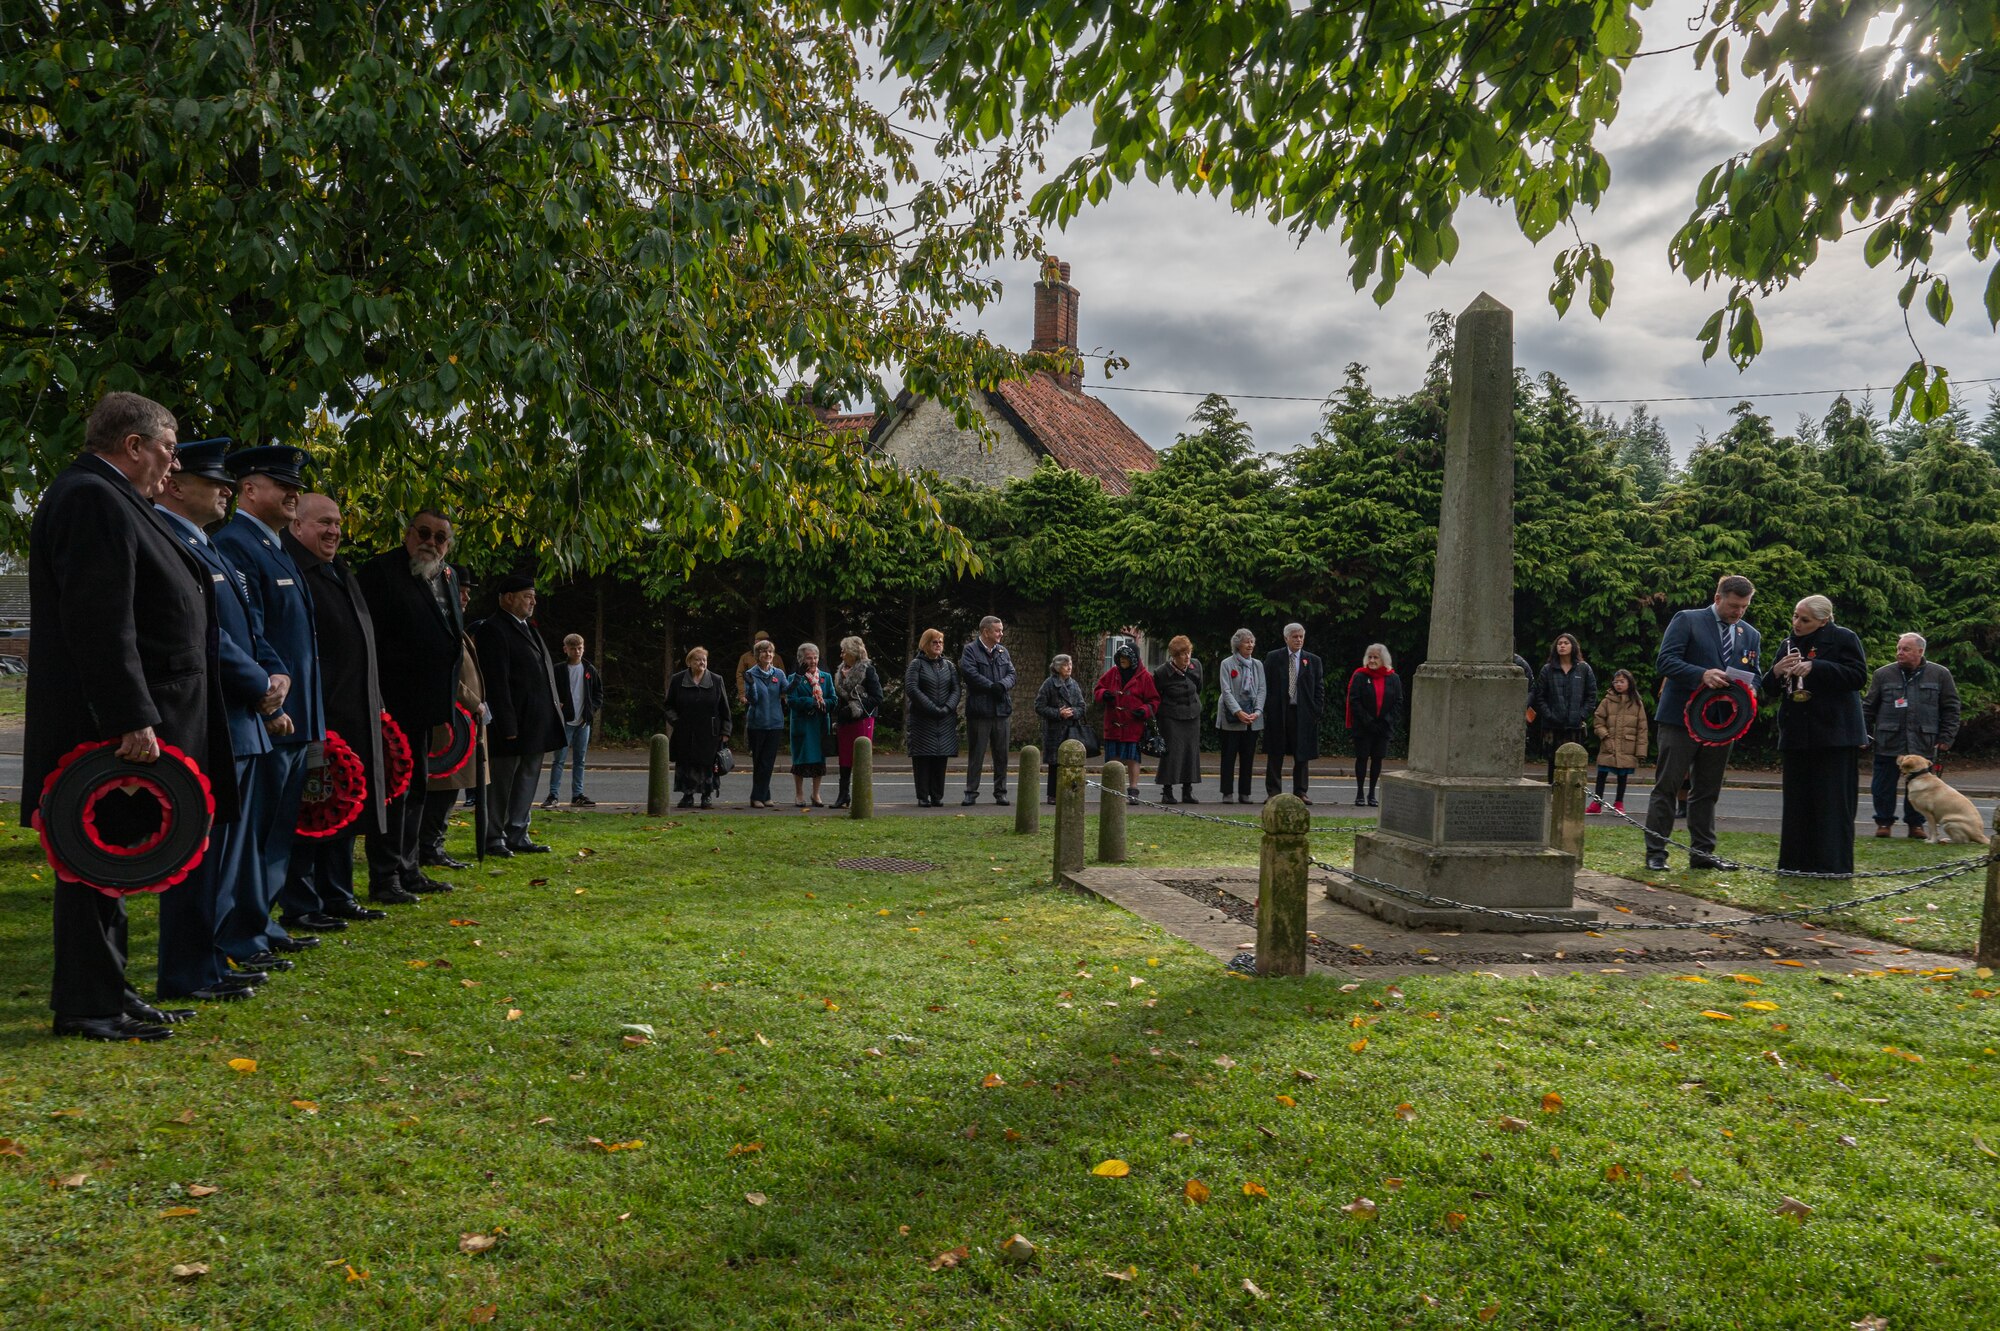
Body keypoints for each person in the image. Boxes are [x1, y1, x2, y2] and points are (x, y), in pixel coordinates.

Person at [25, 392, 241, 1040]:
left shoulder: (113, 497)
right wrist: (130, 716)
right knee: (91, 863)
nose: (172, 468)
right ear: (134, 445)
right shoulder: (92, 497)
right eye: (169, 451)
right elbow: (100, 621)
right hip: (106, 728)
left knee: (109, 864)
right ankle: (88, 1004)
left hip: (127, 719)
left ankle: (111, 991)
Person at [150, 439, 274, 1006]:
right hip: (209, 715)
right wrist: (258, 682)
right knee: (201, 853)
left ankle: (208, 960)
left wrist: (273, 672)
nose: (226, 488)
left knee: (223, 853)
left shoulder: (206, 545)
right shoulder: (168, 539)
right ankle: (188, 969)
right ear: (175, 485)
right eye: (213, 479)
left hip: (236, 718)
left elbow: (246, 624)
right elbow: (203, 634)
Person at [212, 444, 328, 967]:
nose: (292, 493)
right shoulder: (236, 543)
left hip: (296, 716)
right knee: (253, 836)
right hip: (272, 716)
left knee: (278, 832)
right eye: (282, 484)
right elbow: (251, 633)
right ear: (249, 489)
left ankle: (263, 920)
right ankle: (241, 931)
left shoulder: (274, 547)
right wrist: (267, 704)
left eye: (295, 486)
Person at [283, 493, 392, 928]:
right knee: (311, 813)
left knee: (343, 807)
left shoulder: (337, 570)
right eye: (323, 523)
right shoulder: (294, 572)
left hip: (353, 714)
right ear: (297, 526)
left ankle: (338, 893)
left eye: (338, 524)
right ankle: (303, 902)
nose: (334, 531)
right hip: (317, 715)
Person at [357, 510, 466, 903]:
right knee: (392, 791)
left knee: (418, 786)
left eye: (440, 538)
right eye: (424, 533)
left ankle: (410, 868)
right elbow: (366, 640)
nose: (431, 542)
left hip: (426, 705)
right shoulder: (381, 572)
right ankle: (384, 877)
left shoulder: (446, 576)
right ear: (407, 534)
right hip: (390, 703)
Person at [1645, 574, 1763, 872]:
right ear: (1717, 598)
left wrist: (1750, 689)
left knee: (1707, 791)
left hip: (1723, 725)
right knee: (1668, 787)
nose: (1738, 613)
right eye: (1734, 606)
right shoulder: (1687, 620)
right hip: (1680, 719)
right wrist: (1702, 674)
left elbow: (1757, 675)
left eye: (1744, 608)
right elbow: (1665, 661)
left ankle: (1703, 854)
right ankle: (1656, 853)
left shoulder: (1750, 635)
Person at [1769, 596, 1869, 874]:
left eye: (1805, 620)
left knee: (1832, 802)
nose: (1797, 624)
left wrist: (1817, 667)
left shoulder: (1843, 638)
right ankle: (1794, 863)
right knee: (1797, 802)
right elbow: (1769, 688)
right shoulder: (1787, 644)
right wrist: (1777, 671)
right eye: (1795, 616)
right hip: (1797, 733)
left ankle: (1832, 865)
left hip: (1834, 734)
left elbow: (1858, 676)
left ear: (1824, 620)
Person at [475, 572, 562, 855]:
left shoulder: (528, 627)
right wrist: (507, 723)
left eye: (534, 596)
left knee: (527, 778)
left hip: (535, 722)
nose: (533, 601)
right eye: (527, 596)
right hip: (511, 723)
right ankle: (493, 836)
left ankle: (518, 832)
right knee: (501, 782)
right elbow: (496, 682)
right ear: (508, 598)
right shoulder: (494, 629)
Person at [1864, 633, 1962, 838]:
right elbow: (1868, 708)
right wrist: (1863, 735)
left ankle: (1916, 825)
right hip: (1888, 740)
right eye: (1898, 648)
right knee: (1882, 786)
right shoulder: (1883, 674)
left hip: (1922, 743)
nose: (1900, 653)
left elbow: (1951, 708)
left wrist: (1946, 737)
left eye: (1905, 649)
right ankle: (1884, 823)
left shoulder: (1940, 674)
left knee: (1921, 787)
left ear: (1920, 651)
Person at [1263, 623, 1325, 802]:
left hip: (1303, 713)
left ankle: (1300, 791)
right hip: (1279, 713)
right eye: (1295, 637)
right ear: (1286, 638)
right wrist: (1268, 709)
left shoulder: (1313, 660)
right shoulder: (1274, 657)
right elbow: (1265, 684)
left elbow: (1319, 688)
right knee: (1275, 753)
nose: (1298, 640)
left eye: (1301, 637)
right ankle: (1273, 792)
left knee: (1302, 754)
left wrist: (1316, 710)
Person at [959, 616, 1016, 806]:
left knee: (1002, 755)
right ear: (986, 632)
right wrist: (991, 687)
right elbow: (970, 674)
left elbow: (1012, 674)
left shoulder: (1002, 651)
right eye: (997, 630)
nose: (1001, 634)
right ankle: (971, 792)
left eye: (1001, 630)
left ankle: (1001, 792)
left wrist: (1002, 685)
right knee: (977, 754)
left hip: (1001, 711)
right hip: (979, 711)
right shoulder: (970, 651)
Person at [664, 646, 730, 808]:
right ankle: (687, 795)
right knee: (686, 763)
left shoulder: (716, 680)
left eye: (704, 660)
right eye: (697, 660)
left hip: (710, 732)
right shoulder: (678, 680)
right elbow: (668, 706)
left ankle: (707, 795)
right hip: (685, 730)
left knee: (707, 764)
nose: (701, 662)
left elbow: (724, 708)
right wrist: (677, 722)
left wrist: (726, 731)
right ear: (689, 662)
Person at [1094, 642, 1159, 806]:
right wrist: (1104, 694)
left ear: (1134, 659)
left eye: (1126, 657)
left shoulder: (1145, 677)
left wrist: (1144, 710)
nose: (1122, 660)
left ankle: (1133, 790)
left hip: (1133, 725)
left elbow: (1154, 700)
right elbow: (1097, 689)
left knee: (1133, 758)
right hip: (1113, 723)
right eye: (1120, 657)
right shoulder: (1113, 673)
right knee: (1113, 759)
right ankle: (1111, 789)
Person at [1529, 633, 1598, 784]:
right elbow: (1540, 696)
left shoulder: (1584, 669)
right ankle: (1553, 794)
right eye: (1559, 643)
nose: (1562, 645)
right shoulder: (1548, 670)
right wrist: (1549, 715)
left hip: (1574, 726)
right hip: (1552, 727)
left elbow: (1591, 695)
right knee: (1553, 763)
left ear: (1573, 646)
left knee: (1573, 763)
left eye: (1566, 643)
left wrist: (1581, 715)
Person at [545, 634, 604, 808]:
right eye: (572, 648)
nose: (577, 651)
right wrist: (557, 705)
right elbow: (549, 691)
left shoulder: (589, 669)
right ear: (566, 649)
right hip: (565, 722)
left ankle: (577, 795)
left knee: (580, 761)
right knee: (559, 760)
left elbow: (598, 694)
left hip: (583, 723)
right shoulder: (559, 670)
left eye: (579, 648)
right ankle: (553, 795)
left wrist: (590, 711)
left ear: (583, 648)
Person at [904, 629, 960, 807]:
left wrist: (947, 708)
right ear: (925, 644)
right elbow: (912, 688)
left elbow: (956, 689)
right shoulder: (916, 665)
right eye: (934, 642)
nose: (938, 645)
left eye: (941, 642)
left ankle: (937, 795)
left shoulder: (949, 666)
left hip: (944, 720)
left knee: (940, 758)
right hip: (923, 720)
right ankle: (923, 796)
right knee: (923, 759)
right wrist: (931, 708)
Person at [1344, 643, 1402, 807]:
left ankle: (1372, 794)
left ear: (1383, 659)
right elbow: (1354, 700)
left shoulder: (1393, 678)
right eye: (1369, 657)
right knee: (1362, 758)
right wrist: (1368, 721)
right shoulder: (1360, 676)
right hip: (1363, 727)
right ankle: (1360, 793)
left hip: (1383, 727)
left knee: (1377, 759)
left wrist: (1386, 721)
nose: (1372, 660)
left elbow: (1398, 702)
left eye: (1375, 657)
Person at [831, 636, 883, 809]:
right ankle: (843, 795)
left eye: (844, 651)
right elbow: (839, 697)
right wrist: (838, 714)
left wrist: (856, 707)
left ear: (853, 653)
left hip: (862, 719)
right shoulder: (839, 672)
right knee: (844, 758)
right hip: (845, 721)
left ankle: (862, 798)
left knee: (860, 759)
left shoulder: (868, 670)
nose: (841, 654)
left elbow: (877, 697)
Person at [1588, 669, 1649, 815]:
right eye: (1616, 682)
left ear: (1629, 683)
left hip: (1628, 746)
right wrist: (1604, 735)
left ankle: (1619, 803)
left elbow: (1642, 728)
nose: (1619, 685)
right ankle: (1597, 802)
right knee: (1601, 774)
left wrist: (1641, 752)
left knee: (1623, 776)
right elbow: (1598, 721)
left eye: (1622, 681)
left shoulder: (1637, 703)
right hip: (1608, 744)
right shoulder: (1607, 701)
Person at [1215, 629, 1265, 805]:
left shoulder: (1258, 665)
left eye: (1252, 641)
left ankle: (1245, 793)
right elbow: (1226, 691)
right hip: (1231, 715)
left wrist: (1257, 711)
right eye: (1246, 642)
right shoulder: (1227, 664)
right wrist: (1238, 711)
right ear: (1237, 645)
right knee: (1228, 756)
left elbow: (1261, 689)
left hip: (1252, 717)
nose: (1250, 645)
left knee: (1248, 756)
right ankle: (1227, 793)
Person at [786, 642, 836, 808]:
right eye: (809, 658)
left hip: (820, 724)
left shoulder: (826, 677)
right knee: (800, 760)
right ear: (801, 660)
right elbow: (791, 700)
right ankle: (799, 794)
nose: (813, 661)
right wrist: (811, 702)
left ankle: (816, 794)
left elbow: (834, 700)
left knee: (819, 761)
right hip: (802, 725)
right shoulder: (794, 679)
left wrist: (824, 703)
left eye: (815, 657)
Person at [1154, 636, 1204, 803]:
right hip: (1171, 717)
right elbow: (1157, 696)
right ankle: (1167, 791)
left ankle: (1187, 790)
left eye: (1188, 652)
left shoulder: (1196, 666)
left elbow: (1199, 687)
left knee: (1191, 752)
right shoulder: (1161, 673)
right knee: (1172, 753)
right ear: (1174, 656)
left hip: (1192, 715)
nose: (1187, 657)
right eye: (1183, 654)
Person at [1033, 653, 1088, 803]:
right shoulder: (1049, 684)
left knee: (1072, 761)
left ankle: (1071, 792)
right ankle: (1053, 795)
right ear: (1057, 668)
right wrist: (1058, 713)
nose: (1069, 667)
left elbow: (1082, 706)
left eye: (1070, 664)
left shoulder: (1074, 684)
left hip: (1072, 729)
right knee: (1055, 764)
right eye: (1065, 665)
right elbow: (1039, 706)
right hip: (1054, 730)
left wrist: (1072, 713)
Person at [742, 639, 788, 808]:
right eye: (764, 652)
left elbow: (785, 691)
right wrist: (751, 685)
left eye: (770, 651)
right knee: (759, 761)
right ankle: (757, 797)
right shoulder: (751, 674)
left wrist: (797, 679)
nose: (768, 654)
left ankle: (762, 795)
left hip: (775, 724)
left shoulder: (779, 674)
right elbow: (752, 700)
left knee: (768, 762)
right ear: (757, 655)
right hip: (757, 724)